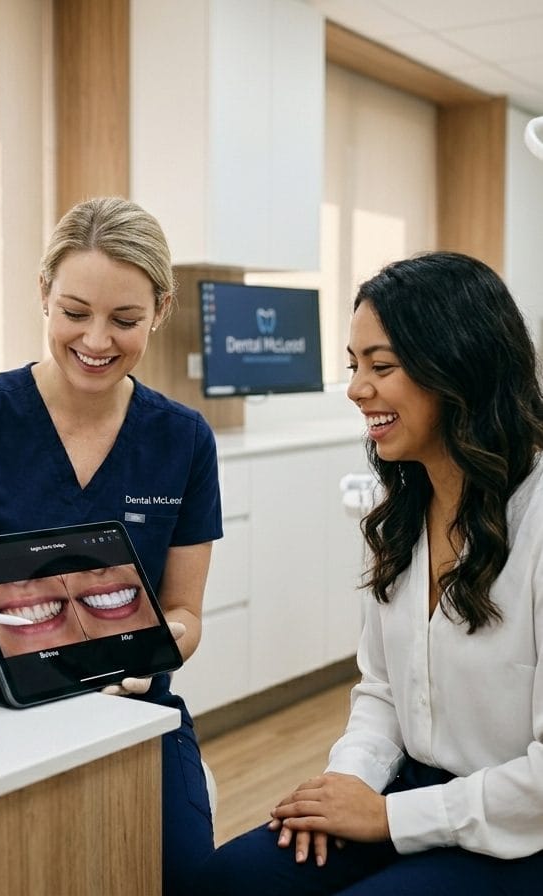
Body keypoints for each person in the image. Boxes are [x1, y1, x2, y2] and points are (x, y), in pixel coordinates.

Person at [0, 196, 222, 896]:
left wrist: (148, 648)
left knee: (182, 878)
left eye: (125, 319)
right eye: (74, 312)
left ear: (160, 309)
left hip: (128, 714)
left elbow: (186, 614)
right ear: (42, 295)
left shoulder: (182, 438)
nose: (96, 340)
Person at [196, 251, 543, 895]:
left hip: (520, 829)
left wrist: (389, 818)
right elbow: (381, 690)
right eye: (355, 365)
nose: (357, 389)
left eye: (381, 366)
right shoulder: (402, 517)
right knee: (226, 880)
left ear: (461, 366)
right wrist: (350, 783)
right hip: (410, 788)